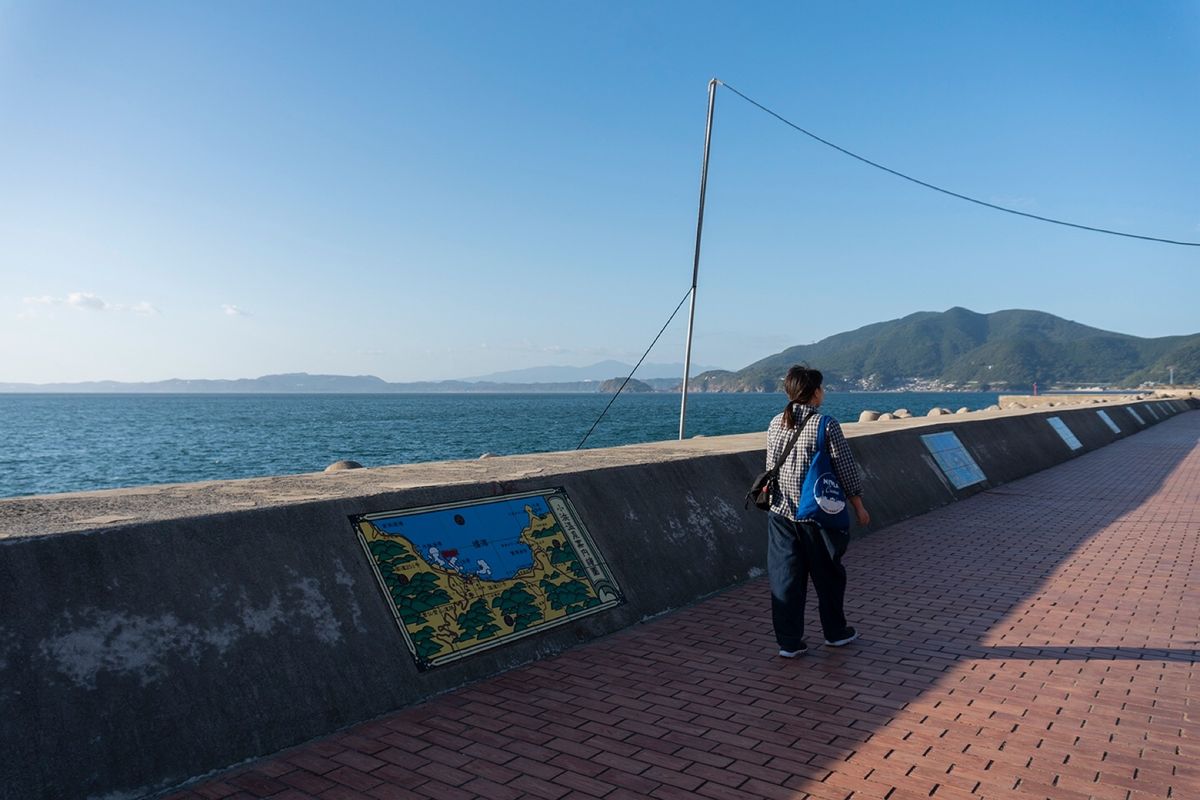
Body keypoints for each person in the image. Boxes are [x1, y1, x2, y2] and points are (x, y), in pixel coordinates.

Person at [765, 365, 870, 658]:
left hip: (780, 513)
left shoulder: (775, 423)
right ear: (814, 393)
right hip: (816, 515)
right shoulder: (826, 424)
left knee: (785, 577)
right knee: (828, 576)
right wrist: (859, 506)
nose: (824, 392)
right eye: (821, 388)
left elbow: (770, 466)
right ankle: (835, 632)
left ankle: (789, 642)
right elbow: (845, 469)